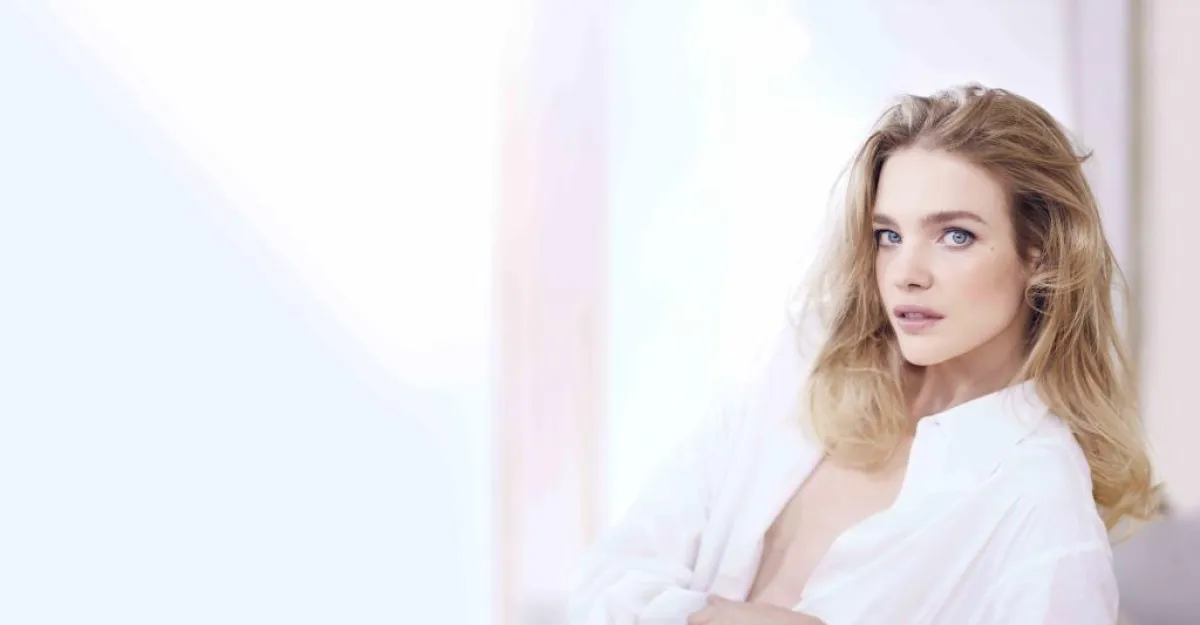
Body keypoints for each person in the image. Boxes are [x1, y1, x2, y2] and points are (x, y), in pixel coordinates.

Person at [567, 84, 1160, 624]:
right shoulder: (803, 371)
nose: (906, 273)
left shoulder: (1042, 506)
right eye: (889, 236)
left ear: (1042, 255)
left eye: (955, 236)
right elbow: (602, 586)